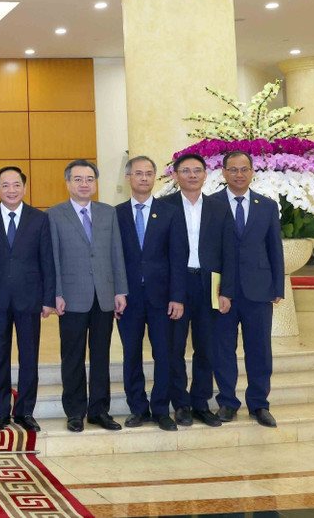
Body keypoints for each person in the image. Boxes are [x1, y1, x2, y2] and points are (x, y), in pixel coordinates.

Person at [47, 159, 128, 433]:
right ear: (68, 183)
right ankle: (74, 412)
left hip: (104, 295)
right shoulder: (54, 214)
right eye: (78, 179)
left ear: (96, 183)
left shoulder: (108, 212)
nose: (84, 184)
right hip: (71, 296)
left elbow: (116, 252)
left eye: (90, 179)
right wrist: (56, 292)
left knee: (101, 355)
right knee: (73, 356)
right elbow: (53, 257)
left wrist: (120, 290)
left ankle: (99, 410)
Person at [159, 153, 235, 428]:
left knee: (206, 348)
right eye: (186, 170)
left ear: (205, 175)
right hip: (175, 286)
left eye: (197, 170)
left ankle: (201, 402)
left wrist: (226, 291)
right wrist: (173, 293)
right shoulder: (164, 207)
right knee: (175, 348)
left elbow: (229, 253)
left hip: (209, 285)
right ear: (175, 175)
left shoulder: (219, 208)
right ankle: (181, 404)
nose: (192, 175)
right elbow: (159, 254)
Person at [115, 156, 187, 432]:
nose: (144, 178)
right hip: (128, 299)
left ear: (154, 177)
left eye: (148, 173)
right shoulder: (116, 214)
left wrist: (177, 296)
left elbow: (178, 257)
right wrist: (117, 292)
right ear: (129, 178)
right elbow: (112, 259)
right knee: (131, 354)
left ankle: (160, 409)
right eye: (138, 173)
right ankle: (138, 408)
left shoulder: (170, 212)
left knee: (164, 354)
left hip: (163, 298)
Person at [0, 166, 54, 433]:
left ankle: (25, 411)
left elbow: (47, 260)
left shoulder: (39, 218)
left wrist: (48, 298)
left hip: (29, 298)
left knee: (29, 357)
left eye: (16, 185)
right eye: (5, 185)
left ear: (24, 187)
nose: (11, 190)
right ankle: (0, 411)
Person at [213, 150, 283, 428]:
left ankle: (259, 404)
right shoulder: (212, 204)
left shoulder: (267, 206)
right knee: (223, 348)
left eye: (244, 169)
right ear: (223, 172)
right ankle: (227, 402)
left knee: (260, 349)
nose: (239, 174)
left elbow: (274, 248)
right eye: (233, 169)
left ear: (252, 171)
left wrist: (278, 287)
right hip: (223, 291)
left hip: (259, 289)